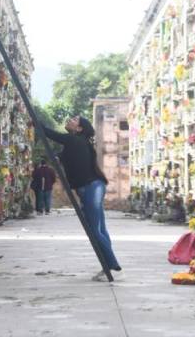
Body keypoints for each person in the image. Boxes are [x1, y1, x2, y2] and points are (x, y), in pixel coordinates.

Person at [41, 116, 122, 280]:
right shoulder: (78, 143)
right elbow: (66, 157)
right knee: (99, 229)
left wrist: (36, 122)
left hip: (91, 187)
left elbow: (50, 133)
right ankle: (108, 267)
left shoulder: (73, 140)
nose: (69, 120)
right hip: (94, 186)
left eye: (74, 120)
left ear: (79, 129)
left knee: (94, 230)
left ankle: (112, 265)